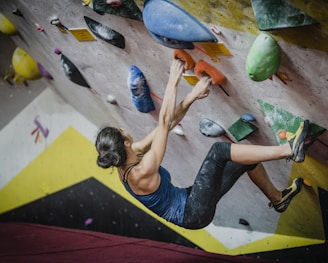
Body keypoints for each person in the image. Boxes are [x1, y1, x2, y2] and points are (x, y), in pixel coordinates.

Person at [95, 59, 309, 230]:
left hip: (190, 199)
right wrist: (174, 80)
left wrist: (192, 97)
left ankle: (278, 199)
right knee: (220, 151)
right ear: (124, 141)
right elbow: (163, 121)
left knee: (244, 160)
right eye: (120, 130)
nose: (123, 128)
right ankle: (289, 149)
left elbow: (168, 124)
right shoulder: (141, 171)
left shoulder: (130, 153)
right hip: (193, 213)